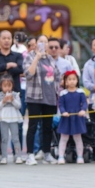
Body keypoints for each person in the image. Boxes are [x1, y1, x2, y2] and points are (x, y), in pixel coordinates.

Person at [23, 35, 61, 166]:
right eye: (41, 41)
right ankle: (30, 154)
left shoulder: (50, 58)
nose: (43, 44)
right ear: (35, 43)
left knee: (47, 126)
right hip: (35, 96)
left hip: (49, 97)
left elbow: (57, 76)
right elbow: (28, 74)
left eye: (45, 42)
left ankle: (46, 153)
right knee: (33, 125)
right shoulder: (30, 56)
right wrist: (37, 58)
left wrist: (56, 91)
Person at [57, 71, 87, 165]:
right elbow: (60, 105)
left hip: (77, 117)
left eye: (74, 79)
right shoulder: (63, 93)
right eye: (69, 79)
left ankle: (80, 156)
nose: (72, 81)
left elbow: (85, 103)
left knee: (78, 137)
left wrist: (83, 110)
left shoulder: (80, 92)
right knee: (63, 138)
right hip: (66, 118)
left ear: (77, 80)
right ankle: (61, 156)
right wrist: (63, 112)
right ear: (65, 81)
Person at [0, 75, 23, 164]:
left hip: (14, 118)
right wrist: (3, 101)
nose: (7, 88)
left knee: (15, 138)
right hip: (3, 119)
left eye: (9, 85)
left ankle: (18, 156)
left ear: (12, 85)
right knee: (4, 139)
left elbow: (19, 106)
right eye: (5, 86)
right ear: (1, 86)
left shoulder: (16, 94)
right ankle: (4, 157)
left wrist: (13, 100)